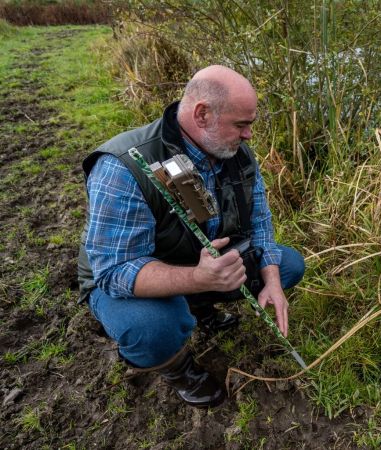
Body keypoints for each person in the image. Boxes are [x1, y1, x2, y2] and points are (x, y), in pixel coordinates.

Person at [76, 65, 305, 408]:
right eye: (241, 125)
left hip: (199, 263)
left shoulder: (236, 154)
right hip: (129, 279)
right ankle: (179, 369)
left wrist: (270, 280)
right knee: (152, 328)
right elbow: (114, 272)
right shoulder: (122, 166)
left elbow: (260, 221)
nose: (249, 137)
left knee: (288, 266)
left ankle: (198, 308)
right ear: (202, 114)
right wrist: (198, 278)